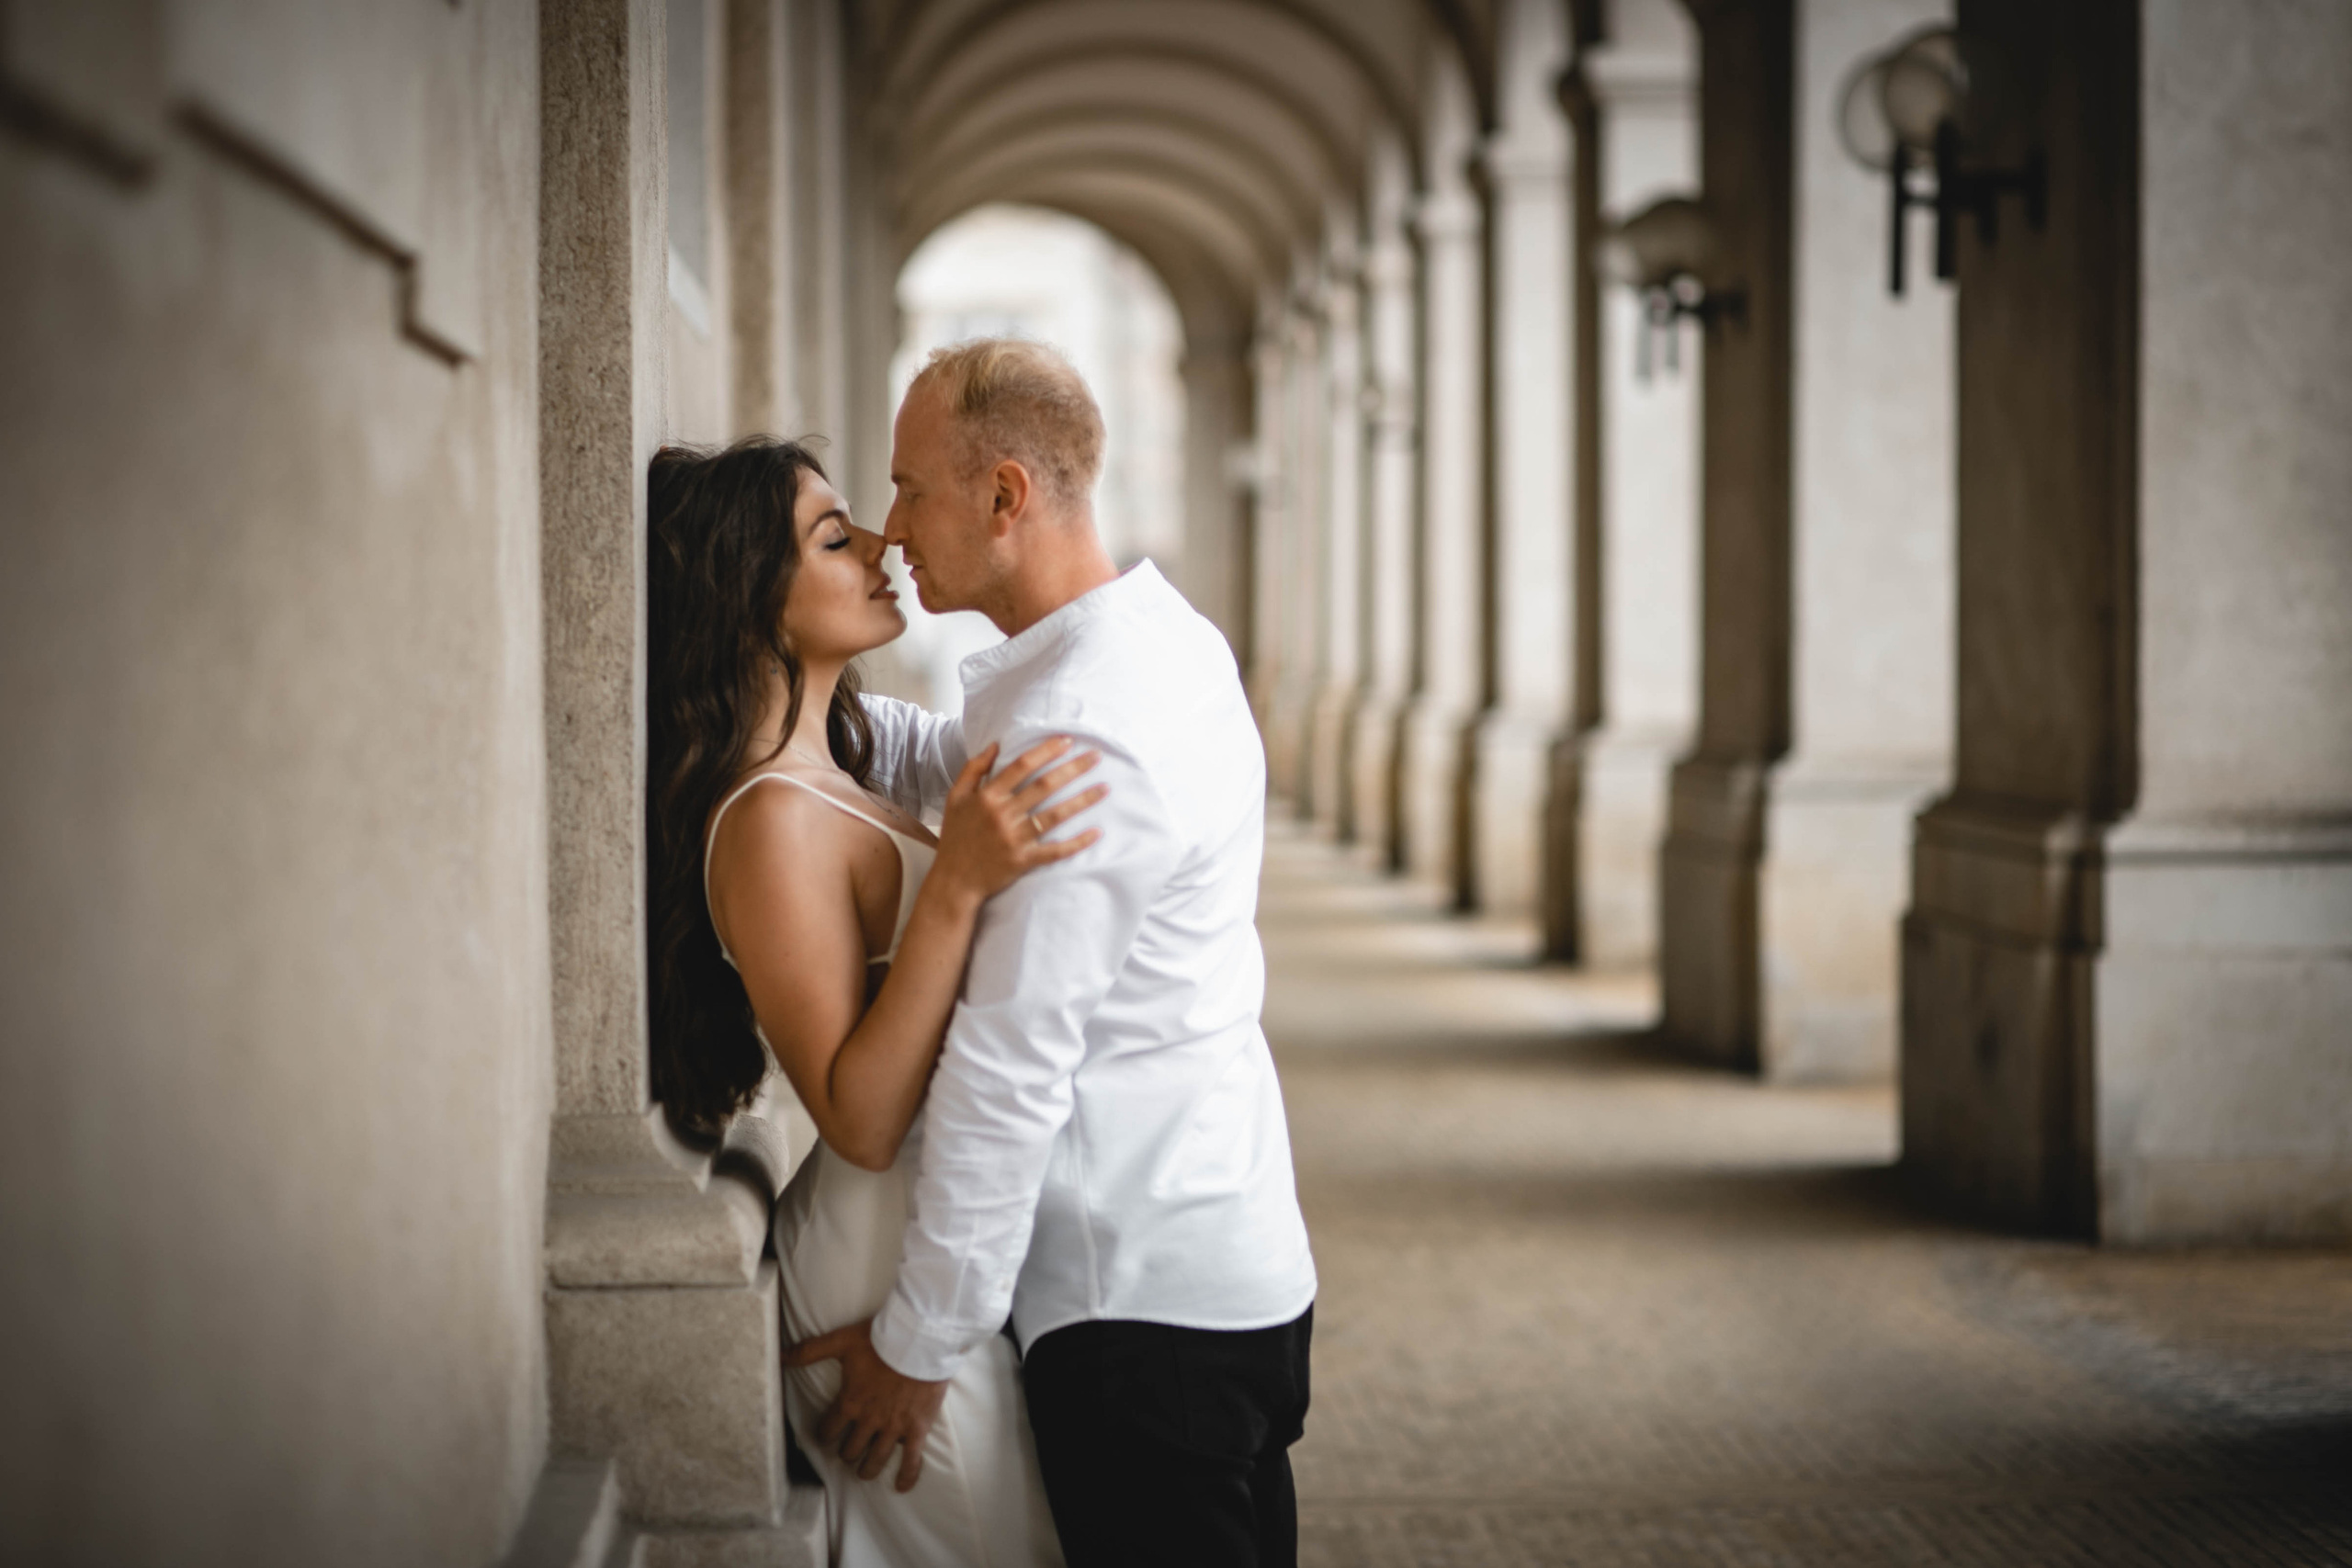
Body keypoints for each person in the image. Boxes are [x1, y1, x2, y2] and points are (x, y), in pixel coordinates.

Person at [786, 339, 1319, 1568]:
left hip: (1141, 1311)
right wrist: (805, 715)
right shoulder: (1149, 641)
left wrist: (918, 1345)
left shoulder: (1086, 733)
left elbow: (1009, 1066)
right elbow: (964, 759)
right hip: (1229, 1250)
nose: (892, 524)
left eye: (912, 486)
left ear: (1006, 495)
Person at [645, 435, 1098, 1565]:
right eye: (835, 539)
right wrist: (954, 888)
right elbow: (855, 1115)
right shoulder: (768, 821)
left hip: (927, 1269)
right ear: (747, 591)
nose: (883, 547)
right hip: (873, 1280)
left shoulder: (826, 778)